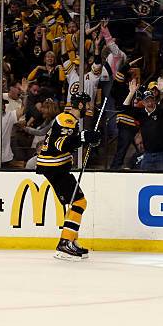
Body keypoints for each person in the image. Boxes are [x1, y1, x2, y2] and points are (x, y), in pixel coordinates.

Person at [36, 92, 101, 261]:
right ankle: (65, 244)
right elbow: (61, 145)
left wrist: (85, 139)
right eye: (87, 104)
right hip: (54, 166)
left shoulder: (69, 120)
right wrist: (82, 138)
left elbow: (70, 142)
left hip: (57, 167)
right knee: (79, 201)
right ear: (80, 105)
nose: (89, 107)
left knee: (74, 202)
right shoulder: (67, 119)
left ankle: (71, 240)